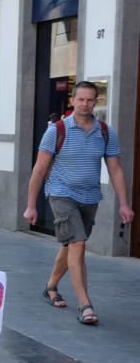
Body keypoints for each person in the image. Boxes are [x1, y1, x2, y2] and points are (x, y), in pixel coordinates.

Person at [24, 81, 134, 325]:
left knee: (70, 245)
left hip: (90, 196)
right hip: (61, 193)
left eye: (90, 100)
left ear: (96, 102)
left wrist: (124, 204)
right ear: (72, 100)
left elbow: (115, 170)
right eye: (80, 99)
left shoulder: (105, 131)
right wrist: (31, 205)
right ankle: (85, 305)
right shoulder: (57, 130)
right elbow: (39, 170)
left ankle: (51, 286)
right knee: (78, 244)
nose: (85, 104)